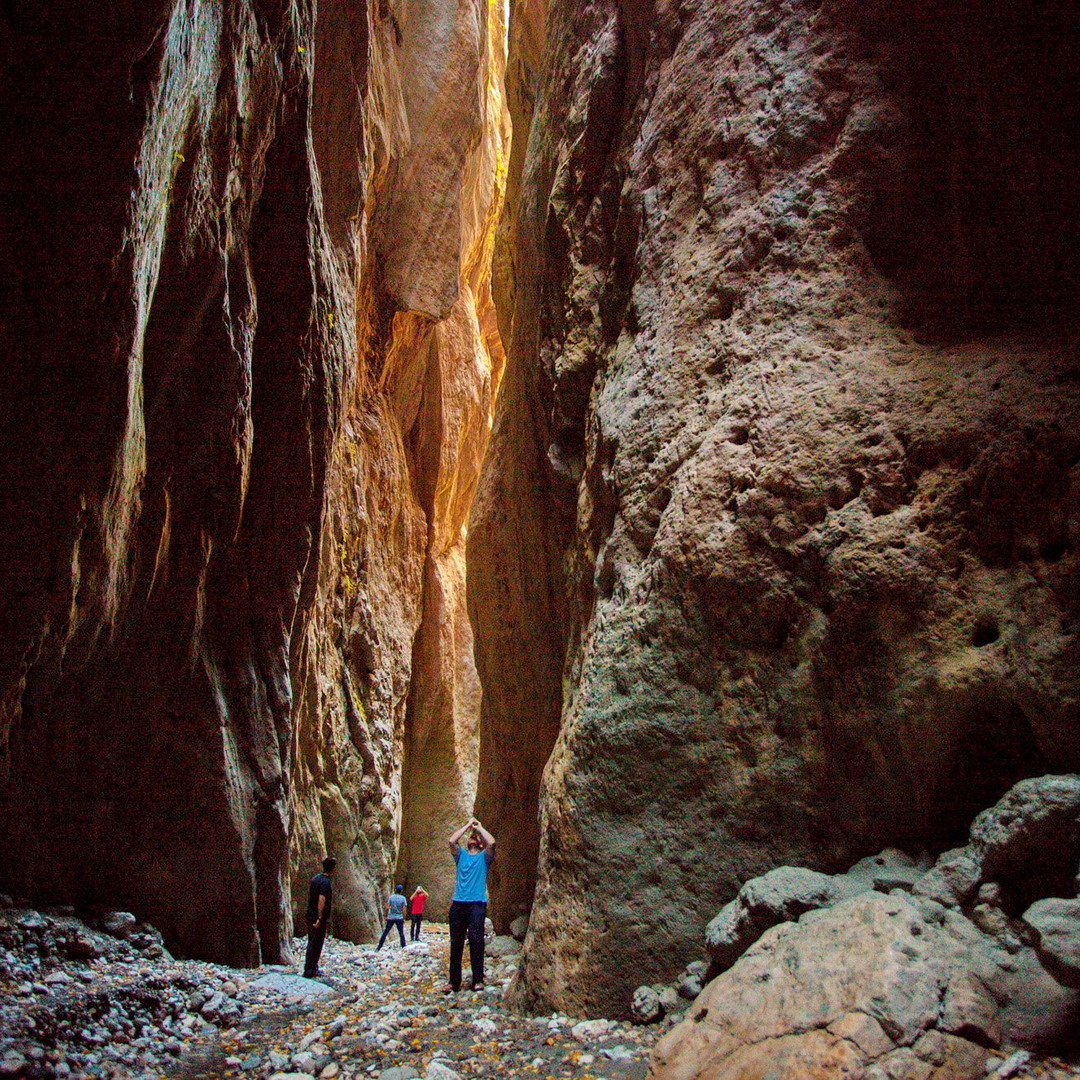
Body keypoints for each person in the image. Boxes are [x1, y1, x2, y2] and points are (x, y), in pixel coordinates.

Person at [443, 817, 495, 992]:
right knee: (456, 943)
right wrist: (467, 826)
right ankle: (453, 982)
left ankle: (477, 980)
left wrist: (479, 829)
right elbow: (452, 840)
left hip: (477, 905)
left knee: (476, 942)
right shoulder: (461, 856)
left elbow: (492, 842)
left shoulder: (484, 858)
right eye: (470, 837)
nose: (472, 838)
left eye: (475, 838)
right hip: (458, 904)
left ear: (480, 843)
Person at [304, 856, 336, 979]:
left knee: (311, 942)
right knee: (316, 943)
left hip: (310, 914)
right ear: (333, 869)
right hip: (317, 917)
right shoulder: (326, 882)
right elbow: (321, 899)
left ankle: (311, 967)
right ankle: (310, 969)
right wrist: (320, 917)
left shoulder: (315, 879)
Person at [377, 884, 408, 949]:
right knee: (401, 933)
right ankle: (403, 946)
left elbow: (387, 907)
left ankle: (379, 946)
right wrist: (404, 918)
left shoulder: (391, 897)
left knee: (386, 932)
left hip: (391, 917)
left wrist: (386, 916)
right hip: (399, 918)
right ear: (401, 891)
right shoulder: (403, 898)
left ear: (395, 890)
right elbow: (404, 909)